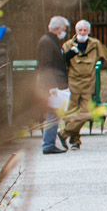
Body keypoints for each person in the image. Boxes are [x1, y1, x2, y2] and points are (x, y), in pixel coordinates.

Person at [61, 19, 107, 149]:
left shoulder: (95, 44)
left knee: (86, 112)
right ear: (76, 31)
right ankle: (75, 140)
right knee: (71, 113)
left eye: (85, 30)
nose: (82, 32)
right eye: (80, 30)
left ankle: (64, 133)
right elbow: (62, 63)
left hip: (88, 83)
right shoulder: (67, 45)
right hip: (73, 83)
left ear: (89, 31)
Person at [36, 15, 70, 155]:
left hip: (54, 82)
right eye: (63, 29)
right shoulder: (47, 42)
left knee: (54, 114)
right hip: (51, 84)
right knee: (53, 114)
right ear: (57, 29)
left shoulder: (51, 40)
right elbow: (46, 65)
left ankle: (49, 143)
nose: (64, 31)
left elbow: (57, 61)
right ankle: (48, 144)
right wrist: (52, 86)